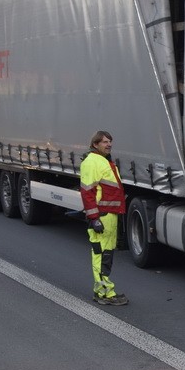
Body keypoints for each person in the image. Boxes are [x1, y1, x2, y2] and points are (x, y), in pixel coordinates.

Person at [79, 130, 128, 306]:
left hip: (108, 214)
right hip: (102, 215)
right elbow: (87, 192)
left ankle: (104, 290)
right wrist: (94, 218)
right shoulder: (92, 162)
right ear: (95, 145)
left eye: (110, 141)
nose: (109, 144)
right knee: (101, 254)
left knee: (106, 253)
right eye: (105, 142)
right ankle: (104, 293)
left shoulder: (102, 160)